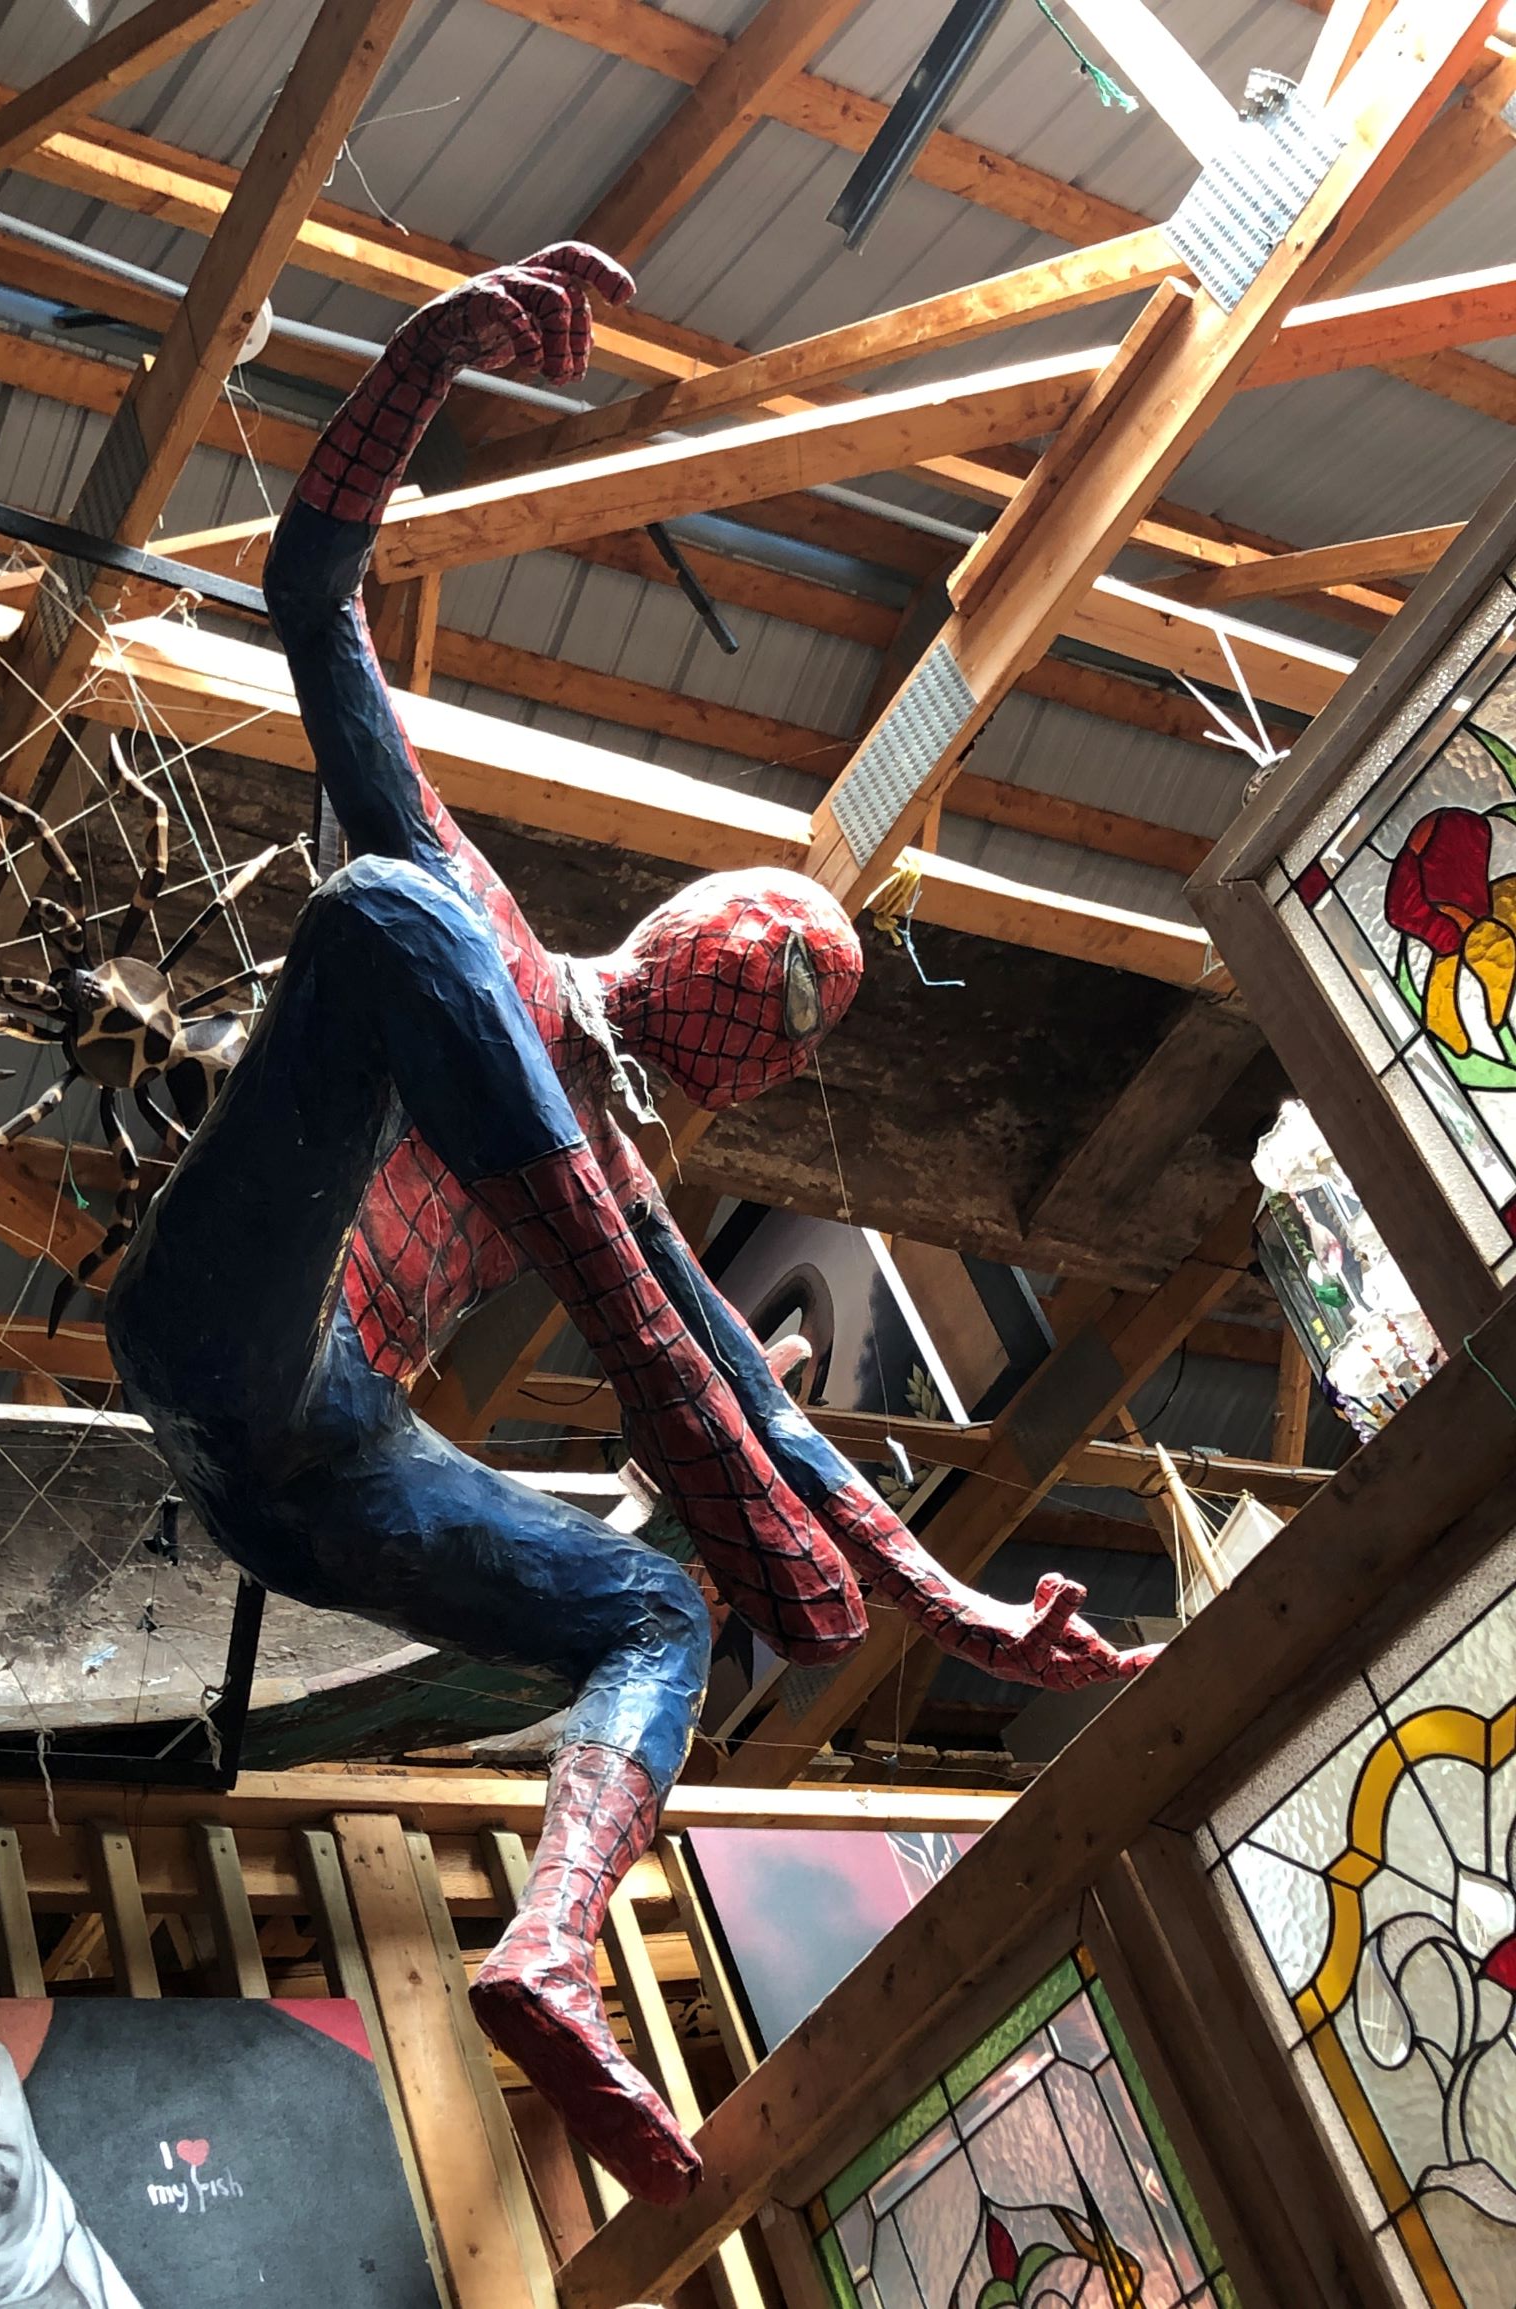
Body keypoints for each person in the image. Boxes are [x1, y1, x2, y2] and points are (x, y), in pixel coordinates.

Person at [106, 243, 1158, 2205]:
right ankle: (628, 1347)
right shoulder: (491, 929)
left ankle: (552, 1950)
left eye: (790, 1006)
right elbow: (314, 600)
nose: (763, 991)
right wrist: (427, 358)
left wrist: (965, 1611)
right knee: (390, 921)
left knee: (663, 1607)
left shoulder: (624, 1171)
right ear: (680, 928)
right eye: (768, 956)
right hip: (240, 1324)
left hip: (335, 1469)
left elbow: (789, 1436)